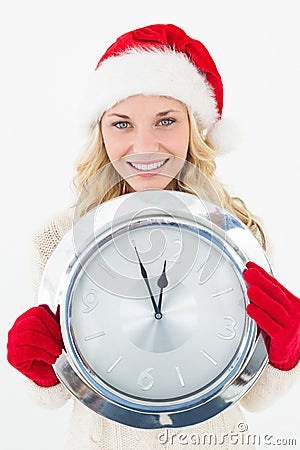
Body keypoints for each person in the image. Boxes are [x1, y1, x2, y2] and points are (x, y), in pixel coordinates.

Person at [7, 24, 300, 450]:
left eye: (166, 120)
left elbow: (253, 397)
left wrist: (286, 352)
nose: (144, 147)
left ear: (195, 129)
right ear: (100, 132)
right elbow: (52, 395)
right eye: (121, 124)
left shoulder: (241, 234)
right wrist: (38, 365)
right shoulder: (56, 240)